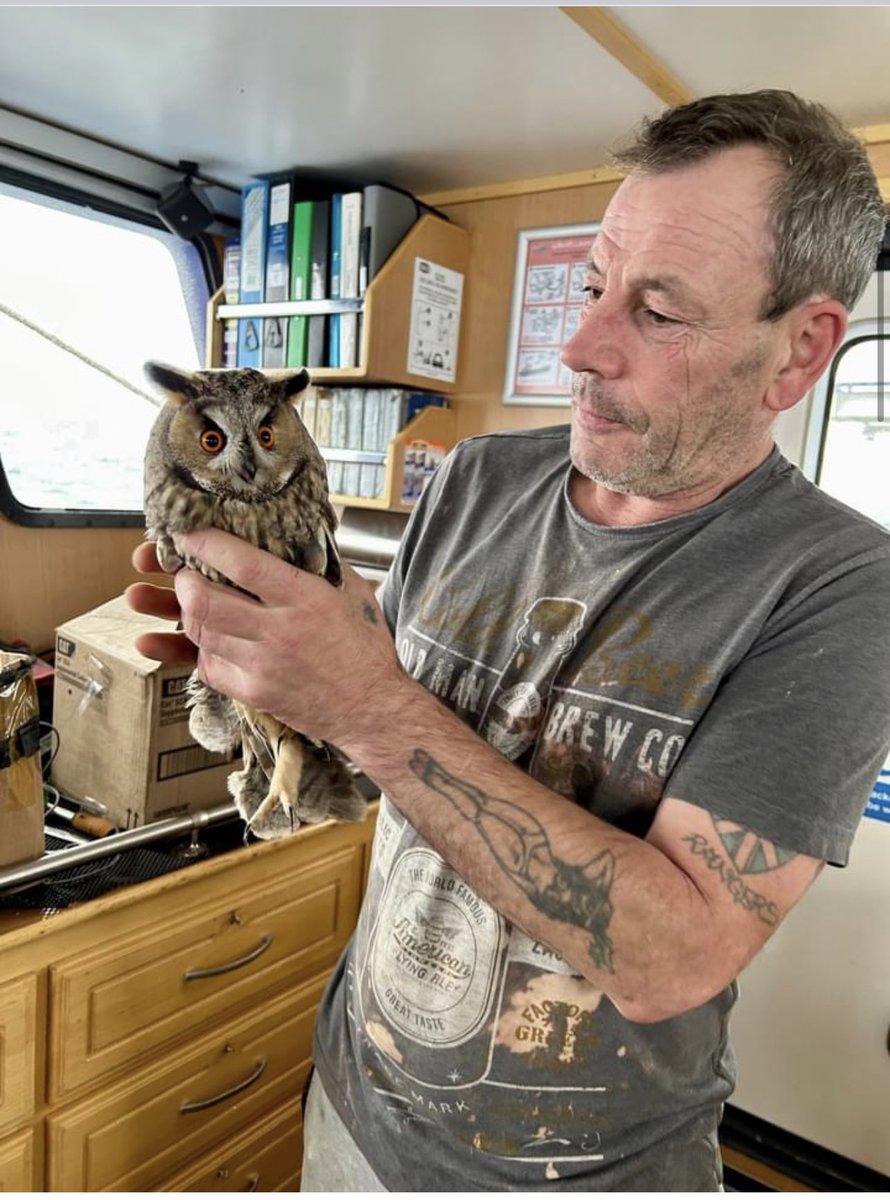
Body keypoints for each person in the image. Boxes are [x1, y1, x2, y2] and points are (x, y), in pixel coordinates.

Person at [127, 90, 890, 1191]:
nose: (579, 347)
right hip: (351, 1105)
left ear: (800, 351)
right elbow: (390, 737)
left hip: (574, 1175)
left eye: (656, 311)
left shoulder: (842, 589)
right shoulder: (476, 479)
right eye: (591, 287)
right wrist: (278, 673)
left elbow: (670, 959)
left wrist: (360, 702)